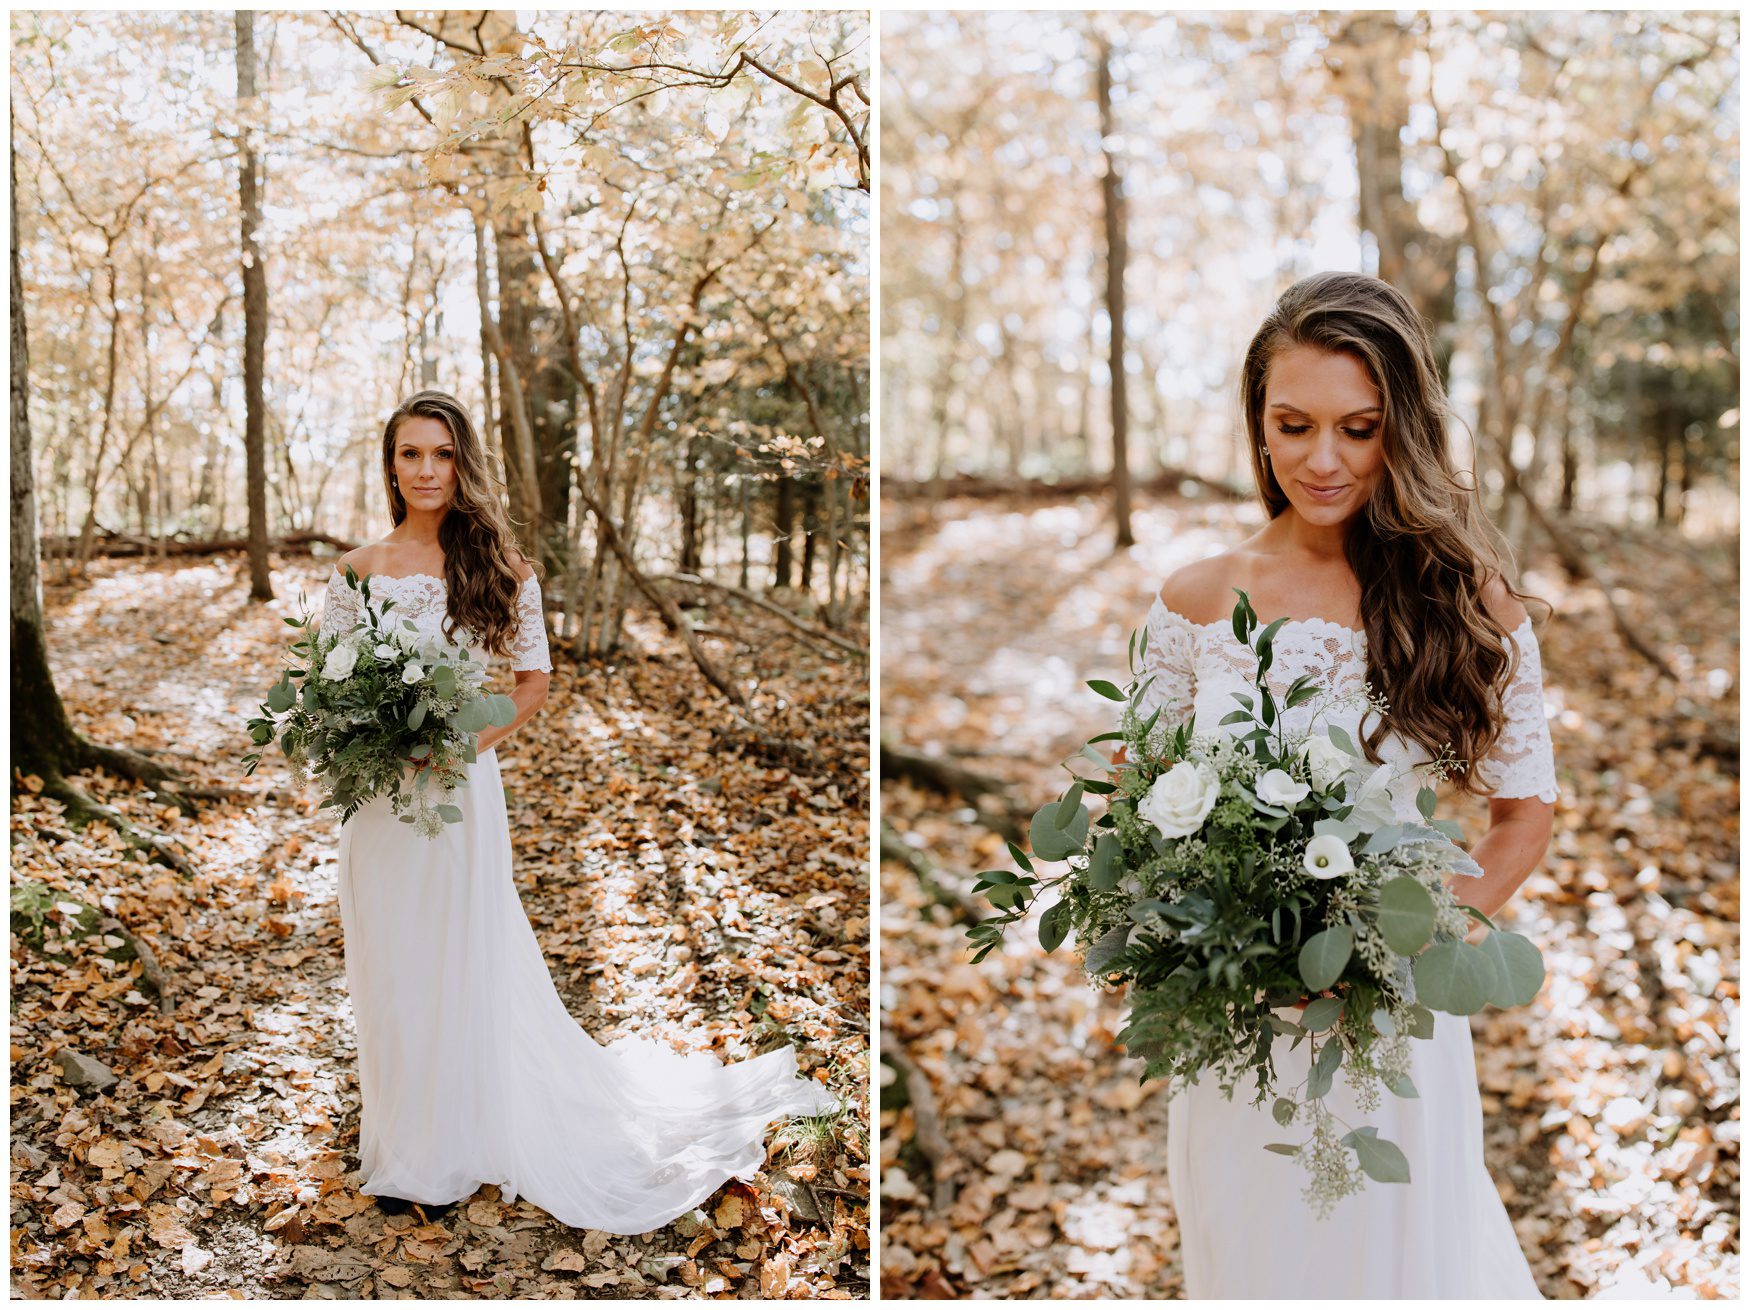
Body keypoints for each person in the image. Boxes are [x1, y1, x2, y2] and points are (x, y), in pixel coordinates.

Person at [320, 389, 835, 1230]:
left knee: (455, 960)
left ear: (464, 464)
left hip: (456, 792)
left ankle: (445, 1149)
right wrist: (369, 737)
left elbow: (533, 686)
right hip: (378, 803)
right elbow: (329, 690)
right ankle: (400, 1142)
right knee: (389, 966)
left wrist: (457, 745)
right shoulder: (353, 572)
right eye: (410, 454)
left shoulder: (502, 569)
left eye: (441, 454)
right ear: (390, 465)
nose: (425, 470)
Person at [1138, 274, 1556, 1297]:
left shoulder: (1470, 604)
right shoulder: (1193, 601)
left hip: (1390, 1023)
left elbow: (1522, 814)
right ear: (1258, 425)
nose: (1322, 460)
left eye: (1358, 428)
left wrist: (1390, 942)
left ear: (1399, 430)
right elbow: (1136, 799)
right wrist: (1188, 925)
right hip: (1235, 1021)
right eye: (1293, 425)